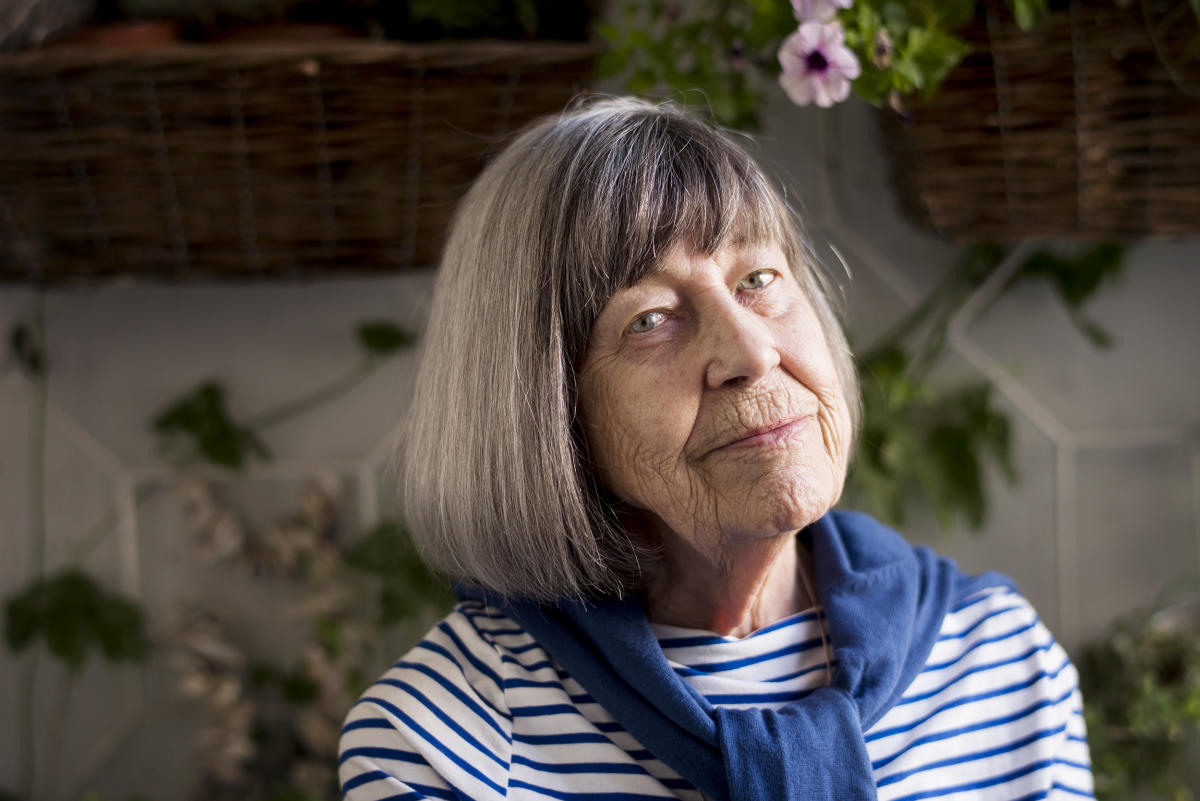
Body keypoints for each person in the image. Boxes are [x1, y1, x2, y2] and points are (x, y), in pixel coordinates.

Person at [337, 97, 1093, 801]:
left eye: (759, 278)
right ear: (546, 409)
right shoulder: (445, 740)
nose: (750, 351)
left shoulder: (1002, 661)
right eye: (651, 318)